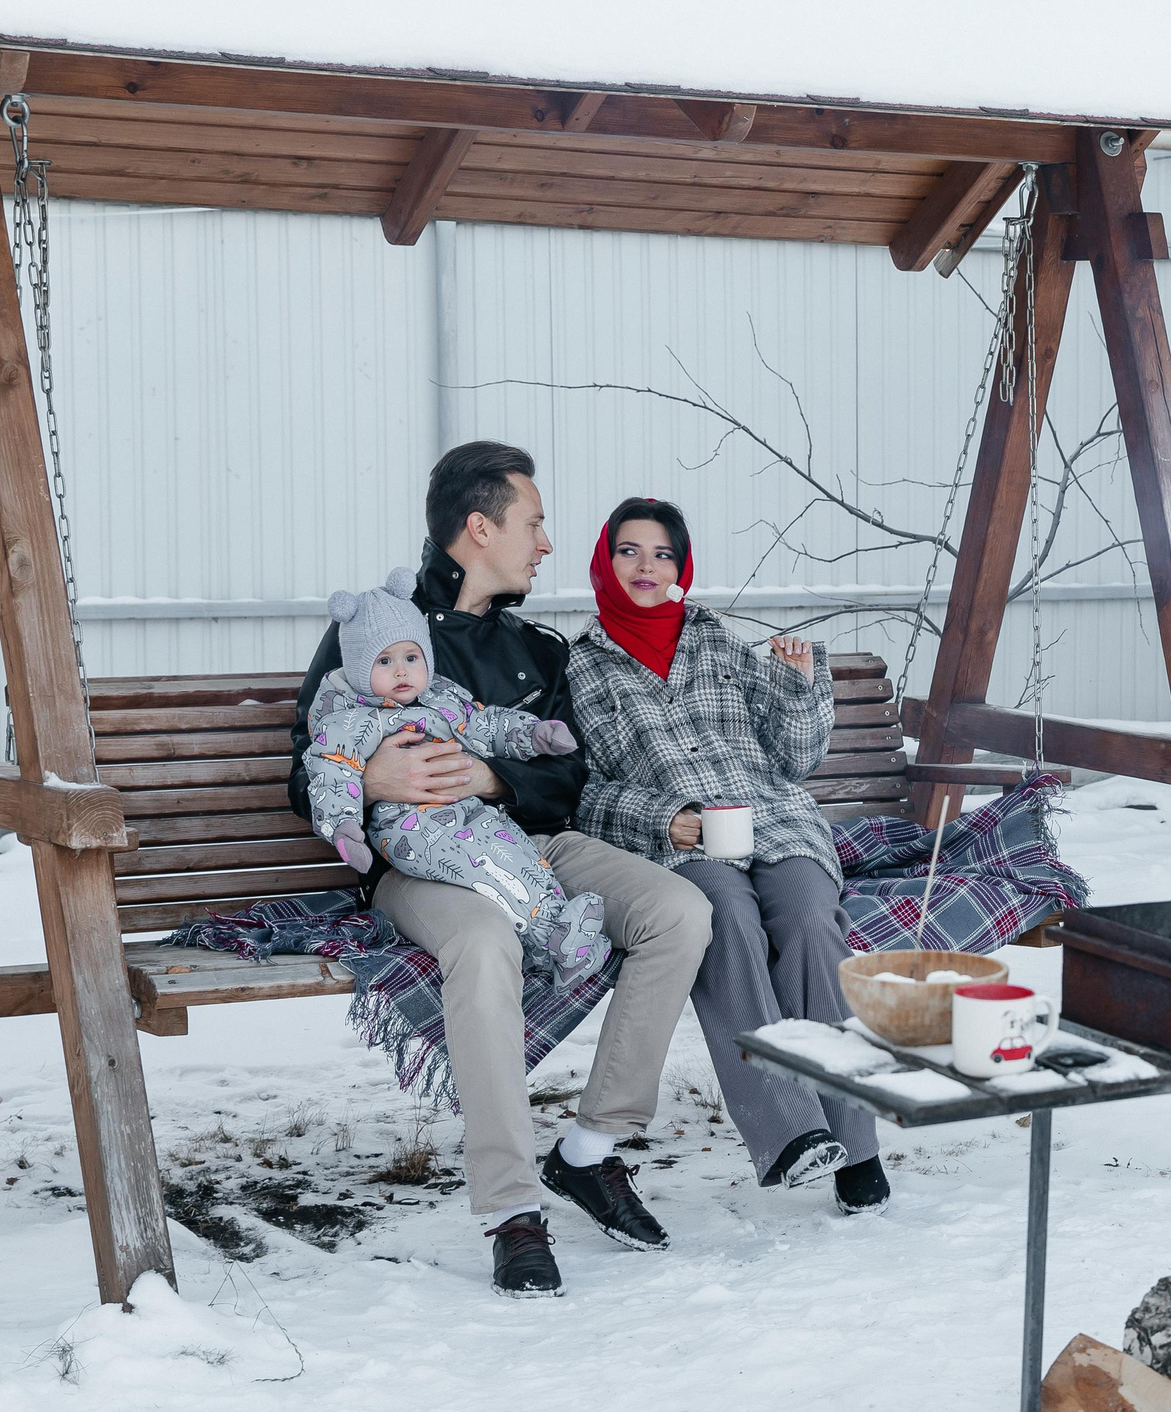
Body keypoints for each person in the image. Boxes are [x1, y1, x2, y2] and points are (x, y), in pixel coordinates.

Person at [287, 444, 714, 1298]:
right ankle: (512, 1211)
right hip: (427, 867)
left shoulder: (537, 649)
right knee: (484, 944)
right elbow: (307, 767)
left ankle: (590, 1151)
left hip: (536, 846)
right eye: (534, 522)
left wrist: (493, 775)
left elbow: (572, 774)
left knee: (679, 910)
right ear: (480, 529)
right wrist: (370, 780)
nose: (547, 542)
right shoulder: (374, 628)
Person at [565, 496, 891, 1216]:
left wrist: (798, 686)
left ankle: (855, 1140)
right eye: (629, 551)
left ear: (681, 567)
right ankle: (792, 1129)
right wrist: (665, 818)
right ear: (604, 560)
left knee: (809, 923)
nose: (645, 566)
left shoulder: (720, 641)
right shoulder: (581, 667)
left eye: (661, 554)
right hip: (682, 841)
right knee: (729, 925)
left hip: (774, 821)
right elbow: (580, 794)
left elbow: (795, 759)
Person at [303, 568, 607, 984]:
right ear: (357, 667)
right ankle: (553, 938)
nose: (401, 672)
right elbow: (330, 772)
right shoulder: (350, 721)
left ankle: (560, 938)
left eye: (411, 658)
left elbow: (483, 725)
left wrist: (532, 734)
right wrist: (344, 828)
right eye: (384, 661)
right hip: (407, 826)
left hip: (466, 810)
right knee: (483, 868)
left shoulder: (441, 696)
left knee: (518, 856)